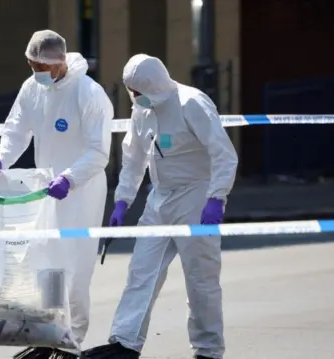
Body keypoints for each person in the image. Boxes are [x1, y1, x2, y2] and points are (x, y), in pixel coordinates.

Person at [80, 54, 238, 359]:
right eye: (131, 92)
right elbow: (134, 158)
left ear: (152, 86)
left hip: (196, 195)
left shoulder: (192, 104)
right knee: (141, 271)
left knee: (200, 278)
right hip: (160, 198)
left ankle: (208, 351)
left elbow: (224, 153)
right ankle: (125, 342)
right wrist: (122, 202)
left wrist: (217, 197)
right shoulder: (143, 111)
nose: (133, 97)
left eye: (137, 92)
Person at [0, 29, 113, 359]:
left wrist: (69, 179)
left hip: (82, 191)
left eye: (40, 66)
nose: (35, 72)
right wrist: (0, 159)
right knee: (46, 266)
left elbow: (99, 152)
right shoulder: (31, 89)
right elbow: (16, 131)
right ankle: (47, 336)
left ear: (59, 63)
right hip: (46, 191)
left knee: (76, 268)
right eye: (31, 64)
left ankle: (72, 341)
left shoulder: (88, 93)